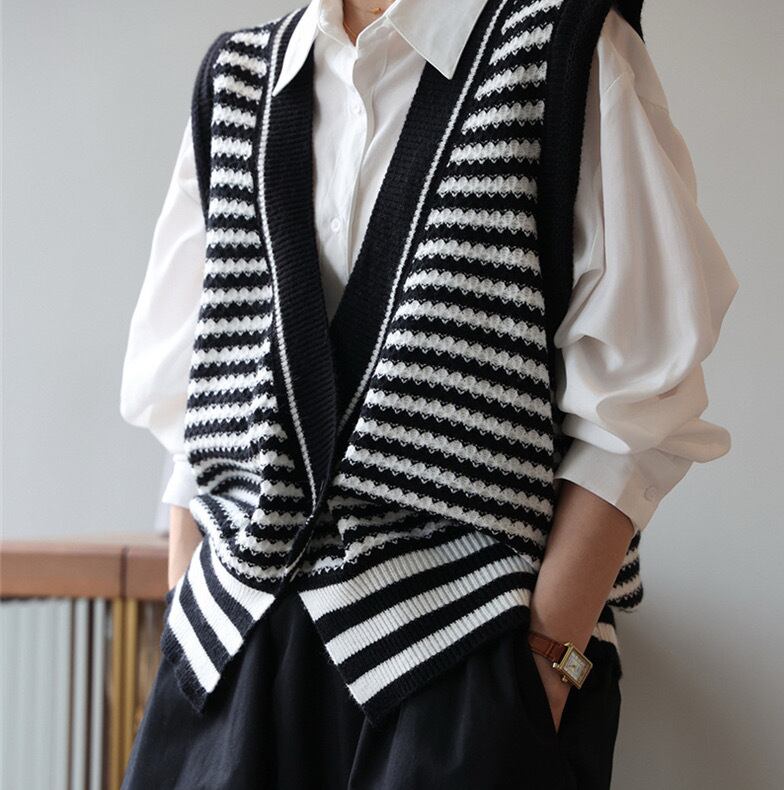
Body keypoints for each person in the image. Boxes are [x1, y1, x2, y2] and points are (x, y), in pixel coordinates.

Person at [118, 0, 739, 787]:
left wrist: (542, 668)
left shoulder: (560, 51)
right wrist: (188, 611)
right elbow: (195, 400)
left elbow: (641, 405)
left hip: (463, 659)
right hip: (231, 666)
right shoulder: (237, 81)